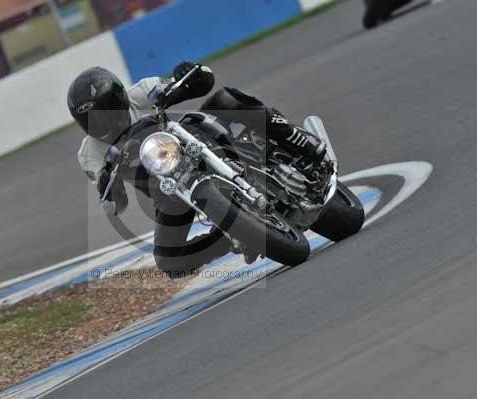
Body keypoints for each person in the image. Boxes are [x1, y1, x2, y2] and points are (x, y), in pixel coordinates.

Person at [67, 61, 326, 277]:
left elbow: (202, 80)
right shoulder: (89, 154)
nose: (100, 124)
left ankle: (300, 141)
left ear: (119, 99)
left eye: (104, 112)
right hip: (169, 193)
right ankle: (228, 236)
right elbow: (117, 204)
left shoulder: (142, 92)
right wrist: (107, 187)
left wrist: (189, 75)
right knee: (169, 261)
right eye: (89, 120)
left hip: (193, 142)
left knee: (226, 99)